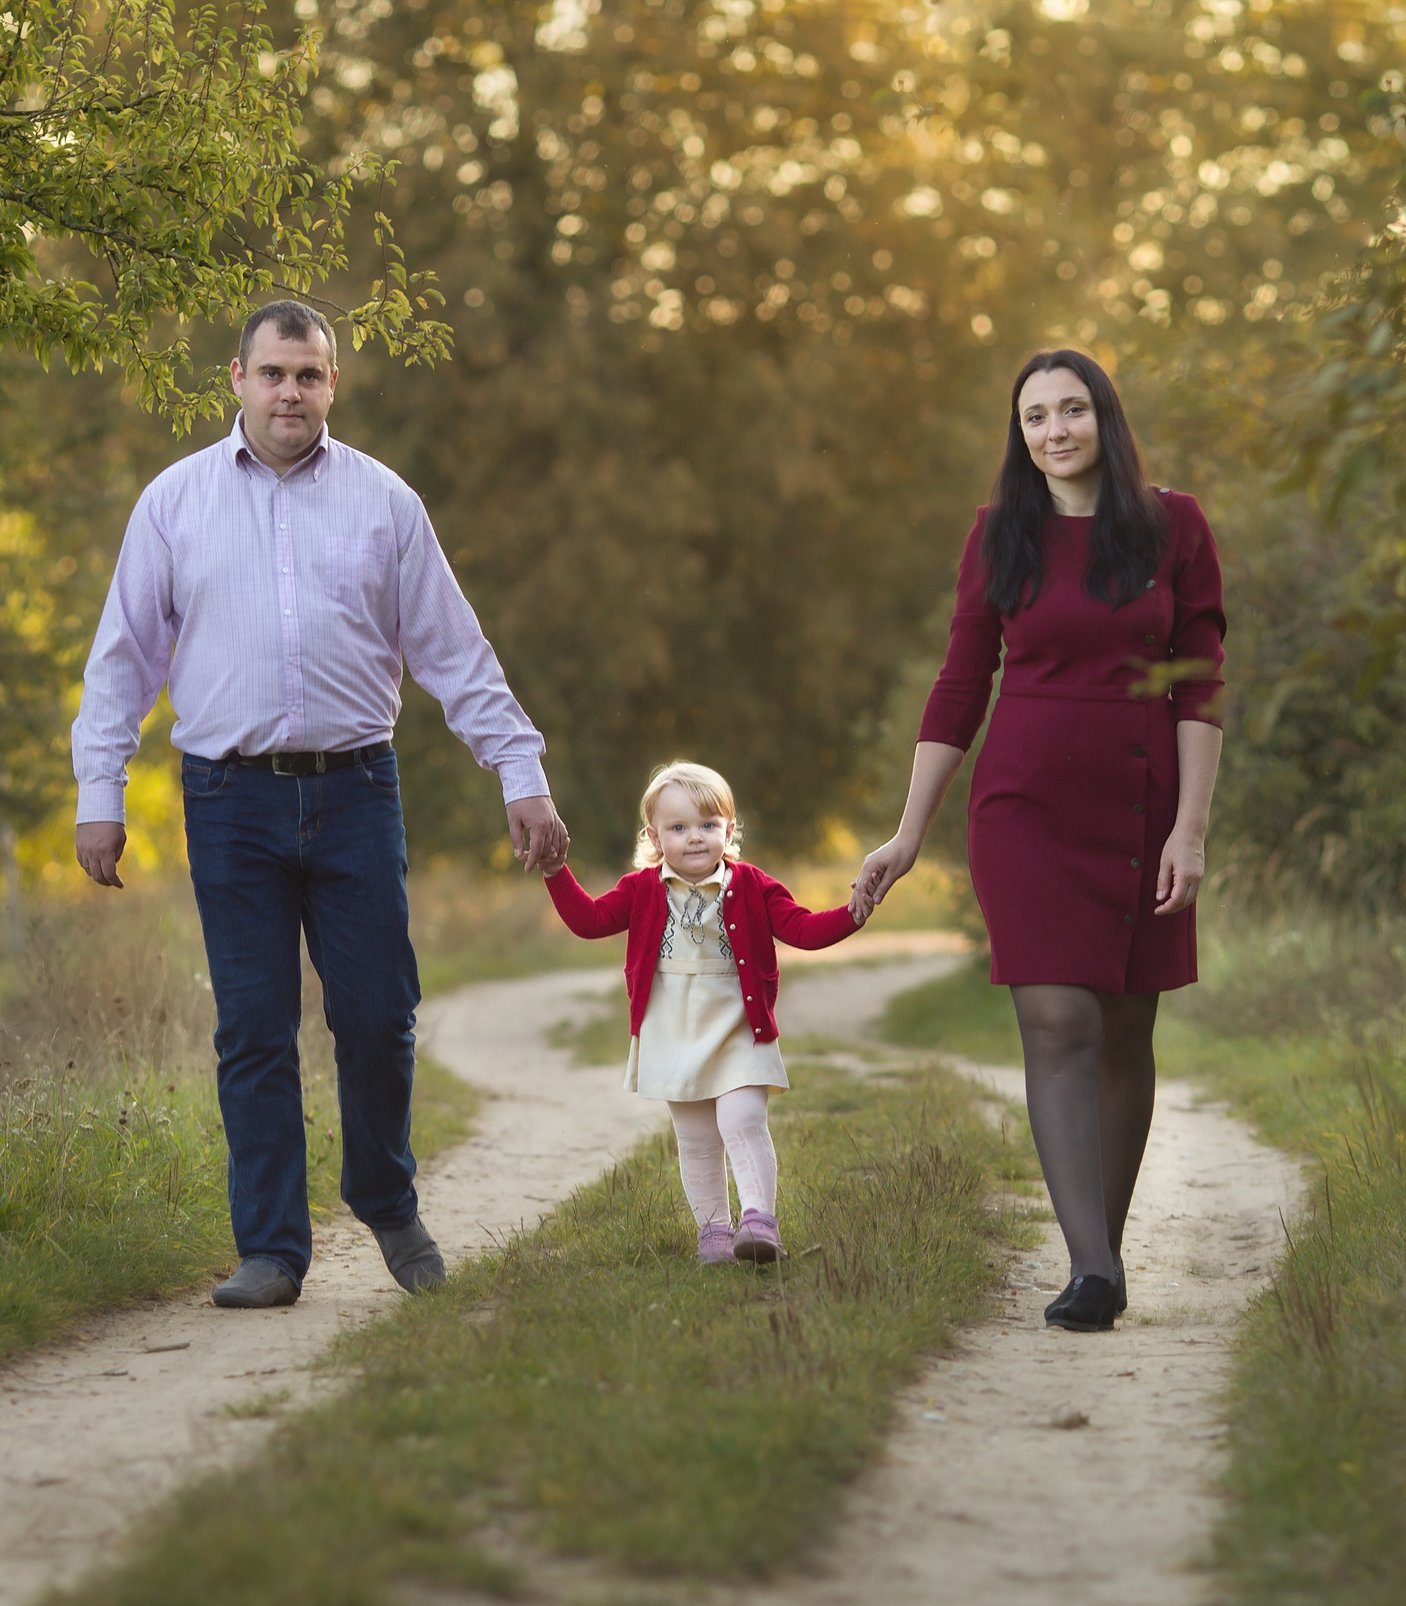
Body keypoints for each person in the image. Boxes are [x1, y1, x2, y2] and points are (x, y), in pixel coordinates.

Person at [71, 300, 569, 1310]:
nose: (289, 391)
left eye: (308, 374)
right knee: (253, 1029)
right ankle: (271, 1250)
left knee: (379, 1014)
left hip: (355, 790)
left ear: (332, 384)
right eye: (272, 373)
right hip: (226, 797)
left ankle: (385, 1199)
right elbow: (122, 660)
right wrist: (99, 789)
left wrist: (519, 770)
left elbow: (451, 650)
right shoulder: (174, 504)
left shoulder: (385, 503)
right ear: (237, 379)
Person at [851, 349, 1225, 1333]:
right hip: (1024, 810)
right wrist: (905, 833)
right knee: (1058, 1018)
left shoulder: (1172, 526)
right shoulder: (998, 535)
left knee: (1126, 1030)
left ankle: (1102, 1246)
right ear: (1017, 436)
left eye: (1070, 410)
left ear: (1104, 416)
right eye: (1033, 417)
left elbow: (1198, 684)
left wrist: (1189, 828)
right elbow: (960, 683)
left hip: (1142, 807)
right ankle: (1092, 1267)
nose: (1053, 430)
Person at [545, 762, 866, 1264]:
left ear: (729, 830)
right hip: (673, 1033)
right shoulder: (641, 889)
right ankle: (715, 1233)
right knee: (696, 1140)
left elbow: (802, 928)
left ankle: (759, 1222)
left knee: (743, 1119)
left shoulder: (753, 884)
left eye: (708, 825)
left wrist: (853, 912)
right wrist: (554, 871)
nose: (694, 838)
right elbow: (589, 921)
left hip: (740, 1030)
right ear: (654, 836)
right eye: (678, 828)